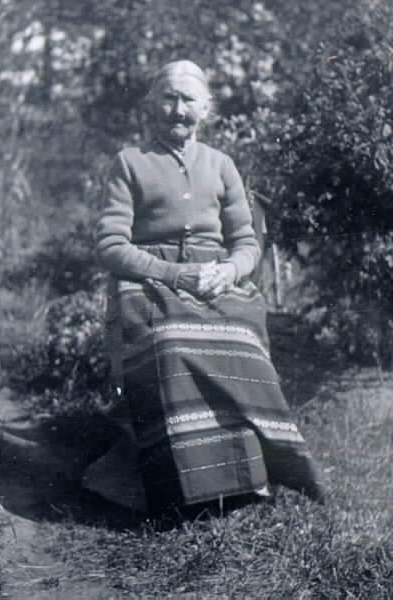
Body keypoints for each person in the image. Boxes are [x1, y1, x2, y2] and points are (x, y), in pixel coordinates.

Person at [90, 60, 325, 514]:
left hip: (215, 280)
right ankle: (180, 488)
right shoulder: (130, 162)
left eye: (188, 100)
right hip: (150, 281)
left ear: (206, 107)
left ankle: (251, 477)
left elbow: (247, 243)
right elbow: (111, 246)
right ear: (151, 104)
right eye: (168, 98)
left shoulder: (221, 165)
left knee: (243, 343)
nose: (178, 110)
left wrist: (230, 271)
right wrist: (173, 274)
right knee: (171, 343)